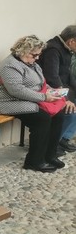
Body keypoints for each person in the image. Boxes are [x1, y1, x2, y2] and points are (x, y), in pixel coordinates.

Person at [0, 35, 65, 172]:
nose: (37, 58)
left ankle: (49, 155)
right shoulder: (9, 65)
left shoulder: (31, 63)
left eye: (38, 55)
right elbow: (16, 90)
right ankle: (34, 161)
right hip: (5, 101)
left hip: (25, 99)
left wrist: (53, 92)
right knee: (42, 118)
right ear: (23, 51)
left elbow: (40, 83)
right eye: (34, 55)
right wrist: (44, 97)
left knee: (58, 112)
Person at [40, 25, 76, 154]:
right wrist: (65, 99)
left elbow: (67, 73)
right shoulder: (53, 50)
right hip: (49, 89)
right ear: (71, 41)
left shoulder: (65, 49)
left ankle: (64, 139)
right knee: (71, 110)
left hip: (63, 87)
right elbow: (51, 77)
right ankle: (54, 143)